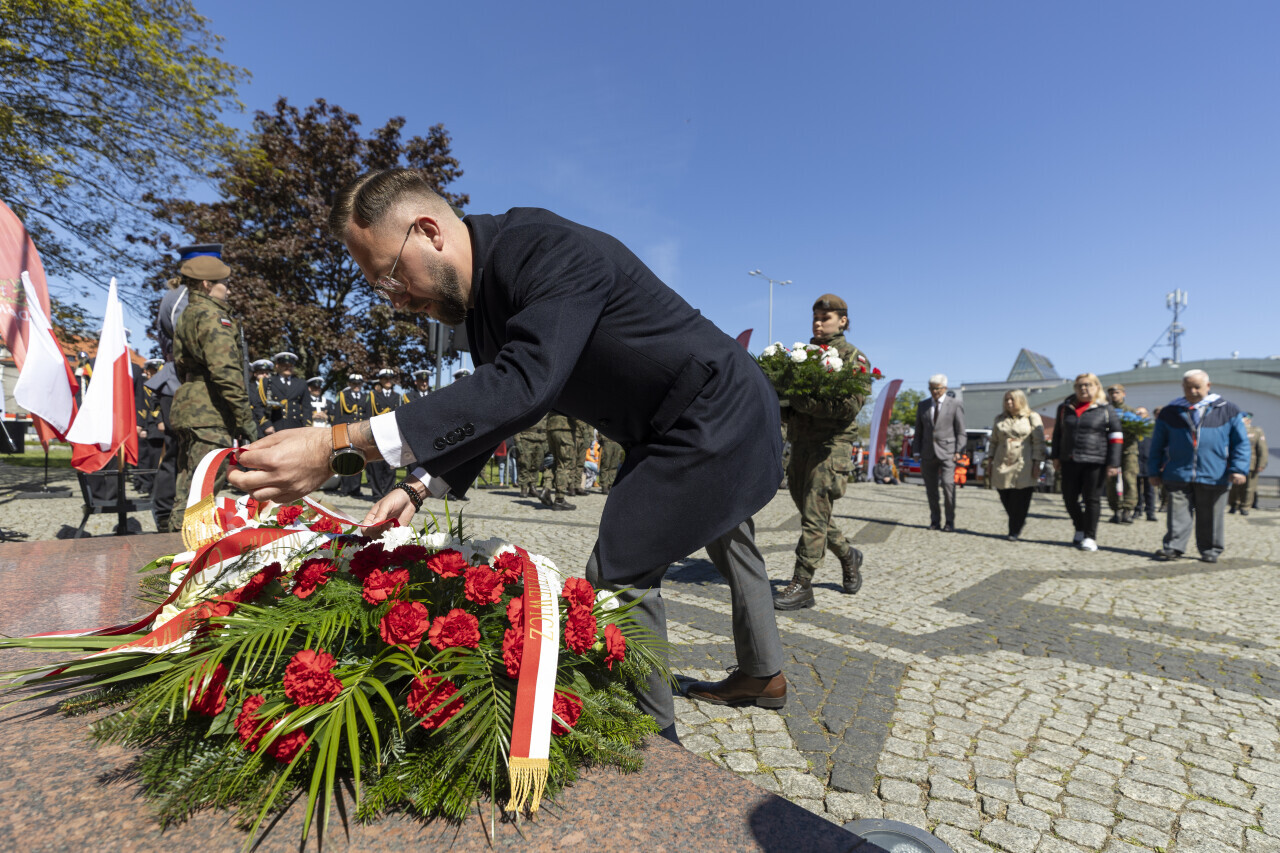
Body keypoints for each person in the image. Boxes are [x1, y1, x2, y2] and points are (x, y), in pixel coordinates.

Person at [229, 168, 788, 739]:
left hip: (712, 409)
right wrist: (418, 487)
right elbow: (500, 407)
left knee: (620, 572)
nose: (397, 301)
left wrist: (337, 444)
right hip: (674, 419)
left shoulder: (542, 249)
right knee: (727, 531)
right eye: (382, 289)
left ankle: (652, 746)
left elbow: (524, 385)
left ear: (428, 231)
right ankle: (763, 673)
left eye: (391, 277)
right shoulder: (484, 302)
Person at [773, 293, 867, 611]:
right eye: (815, 317)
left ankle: (802, 584)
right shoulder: (802, 356)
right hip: (800, 444)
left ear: (842, 321)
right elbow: (791, 407)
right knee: (813, 513)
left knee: (814, 515)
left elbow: (849, 406)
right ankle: (848, 554)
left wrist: (805, 401)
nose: (818, 323)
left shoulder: (854, 358)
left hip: (831, 446)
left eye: (825, 318)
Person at [168, 243, 258, 532]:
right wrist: (245, 420)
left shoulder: (190, 313)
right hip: (209, 413)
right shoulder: (210, 315)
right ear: (207, 284)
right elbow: (226, 371)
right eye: (224, 283)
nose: (228, 289)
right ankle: (187, 549)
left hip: (193, 407)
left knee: (189, 485)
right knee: (203, 489)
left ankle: (174, 544)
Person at [1150, 370, 1250, 563]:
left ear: (1208, 386)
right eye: (1188, 387)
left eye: (1197, 387)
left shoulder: (1228, 410)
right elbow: (1157, 444)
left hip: (1215, 473)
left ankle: (1210, 549)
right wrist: (1153, 470)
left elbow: (1241, 443)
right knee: (1177, 514)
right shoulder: (1170, 412)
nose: (1193, 391)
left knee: (1211, 515)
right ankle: (1173, 547)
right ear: (1182, 387)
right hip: (1178, 472)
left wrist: (1238, 469)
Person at [1049, 373, 1121, 552]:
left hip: (1095, 460)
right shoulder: (1064, 408)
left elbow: (1116, 436)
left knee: (1092, 499)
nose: (1083, 388)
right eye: (1079, 385)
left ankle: (1090, 536)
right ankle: (1080, 526)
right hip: (1069, 459)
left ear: (1097, 387)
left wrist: (1113, 463)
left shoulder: (1105, 409)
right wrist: (1055, 456)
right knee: (1068, 498)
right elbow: (1058, 433)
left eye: (1088, 385)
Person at [989, 389, 1046, 541]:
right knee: (1004, 493)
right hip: (1002, 460)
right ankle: (1017, 520)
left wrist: (1037, 462)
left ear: (1020, 400)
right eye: (1006, 399)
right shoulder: (999, 419)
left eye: (1012, 399)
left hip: (1024, 460)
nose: (1009, 402)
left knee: (1020, 497)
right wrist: (989, 460)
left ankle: (1014, 529)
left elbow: (1039, 442)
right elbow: (993, 441)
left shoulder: (1031, 417)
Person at [912, 374, 966, 531]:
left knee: (948, 486)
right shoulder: (923, 405)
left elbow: (961, 431)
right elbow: (918, 431)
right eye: (931, 388)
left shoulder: (955, 404)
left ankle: (949, 521)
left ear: (945, 388)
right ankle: (935, 520)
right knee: (931, 490)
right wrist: (916, 451)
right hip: (927, 453)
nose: (934, 391)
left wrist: (959, 451)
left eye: (937, 388)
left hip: (948, 452)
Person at [1105, 384, 1140, 524]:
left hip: (1128, 449)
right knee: (1110, 480)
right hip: (1111, 449)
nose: (1114, 395)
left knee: (1129, 478)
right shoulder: (1106, 410)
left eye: (1117, 392)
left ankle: (1127, 510)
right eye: (1111, 393)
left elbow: (1138, 431)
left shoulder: (1130, 411)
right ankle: (1116, 510)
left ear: (1123, 394)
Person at [366, 367, 402, 499]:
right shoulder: (373, 395)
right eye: (385, 378)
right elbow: (369, 415)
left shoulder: (397, 397)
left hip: (392, 434)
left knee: (390, 466)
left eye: (390, 378)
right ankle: (377, 494)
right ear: (380, 380)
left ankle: (387, 493)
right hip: (378, 433)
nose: (388, 381)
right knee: (376, 466)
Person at [133, 358, 166, 495]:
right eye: (150, 371)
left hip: (158, 428)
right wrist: (143, 426)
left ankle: (156, 488)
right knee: (147, 459)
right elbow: (143, 407)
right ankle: (148, 486)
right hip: (150, 427)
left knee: (158, 460)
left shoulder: (162, 384)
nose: (150, 374)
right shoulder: (145, 386)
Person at [335, 374, 370, 497]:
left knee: (359, 459)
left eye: (359, 383)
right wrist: (337, 432)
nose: (356, 386)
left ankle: (355, 488)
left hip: (360, 432)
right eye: (354, 383)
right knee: (345, 459)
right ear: (349, 384)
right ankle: (344, 489)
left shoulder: (366, 397)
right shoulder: (343, 396)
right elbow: (338, 415)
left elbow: (367, 415)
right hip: (346, 431)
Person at [1229, 414, 1268, 515]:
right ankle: (1234, 505)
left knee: (1249, 487)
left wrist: (1261, 464)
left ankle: (1245, 507)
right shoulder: (1234, 429)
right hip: (1236, 463)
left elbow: (1262, 449)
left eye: (1245, 419)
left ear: (1249, 420)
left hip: (1251, 464)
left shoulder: (1256, 431)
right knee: (1235, 486)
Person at [542, 411, 578, 510]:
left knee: (555, 463)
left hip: (551, 427)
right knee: (565, 464)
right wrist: (585, 432)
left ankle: (546, 489)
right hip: (565, 428)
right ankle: (559, 500)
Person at [267, 352, 306, 432]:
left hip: (296, 427)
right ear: (277, 366)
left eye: (291, 365)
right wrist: (266, 425)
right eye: (284, 365)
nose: (288, 368)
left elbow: (306, 408)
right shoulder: (268, 382)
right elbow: (260, 406)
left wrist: (307, 427)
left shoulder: (301, 383)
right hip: (275, 426)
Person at [514, 415, 549, 497]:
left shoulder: (546, 409)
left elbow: (548, 424)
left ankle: (533, 487)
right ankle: (524, 488)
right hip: (525, 438)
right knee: (524, 464)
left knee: (536, 465)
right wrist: (517, 440)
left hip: (541, 439)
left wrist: (547, 441)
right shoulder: (525, 408)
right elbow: (516, 423)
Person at [1134, 406, 1158, 522]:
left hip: (1149, 460)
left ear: (1147, 414)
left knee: (1150, 489)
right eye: (1137, 413)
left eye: (1142, 413)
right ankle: (1137, 510)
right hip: (1136, 460)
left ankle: (1150, 512)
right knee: (1136, 488)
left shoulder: (1152, 427)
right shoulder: (1133, 427)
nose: (1140, 415)